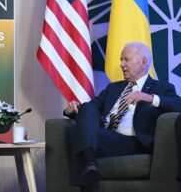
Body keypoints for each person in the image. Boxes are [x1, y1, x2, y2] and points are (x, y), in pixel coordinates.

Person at [64, 42, 181, 192]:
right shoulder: (114, 87)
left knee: (81, 133)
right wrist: (73, 111)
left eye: (126, 59)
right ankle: (91, 164)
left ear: (143, 62)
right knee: (87, 107)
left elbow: (178, 105)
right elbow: (91, 110)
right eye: (121, 60)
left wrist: (151, 98)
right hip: (106, 137)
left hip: (133, 142)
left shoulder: (162, 88)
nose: (121, 64)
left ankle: (89, 171)